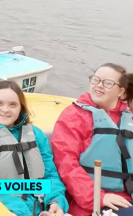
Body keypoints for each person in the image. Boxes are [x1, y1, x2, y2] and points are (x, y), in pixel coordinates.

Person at [0, 80, 69, 216]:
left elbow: (50, 175)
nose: (5, 110)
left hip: (41, 209)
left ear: (20, 108)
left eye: (12, 105)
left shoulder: (35, 134)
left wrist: (56, 202)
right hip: (4, 209)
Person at [51, 63, 133, 216]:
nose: (99, 86)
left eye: (107, 83)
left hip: (127, 196)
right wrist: (98, 197)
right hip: (93, 201)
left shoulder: (129, 116)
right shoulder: (73, 117)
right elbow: (66, 164)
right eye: (95, 80)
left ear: (121, 91)